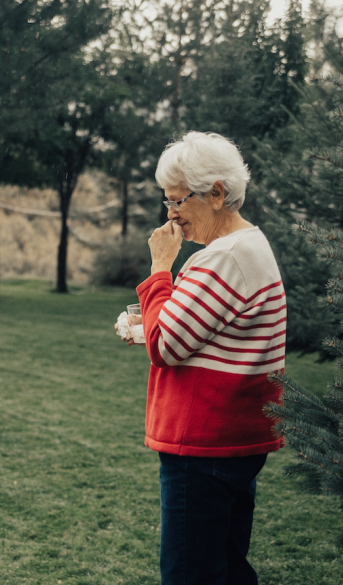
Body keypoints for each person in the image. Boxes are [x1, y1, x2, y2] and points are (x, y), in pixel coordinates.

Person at [122, 132, 286, 585]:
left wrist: (161, 268)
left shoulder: (222, 258)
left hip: (204, 443)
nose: (171, 214)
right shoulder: (250, 245)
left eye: (178, 201)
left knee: (190, 573)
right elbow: (196, 332)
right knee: (227, 568)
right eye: (166, 201)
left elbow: (165, 345)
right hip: (232, 440)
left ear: (216, 193)